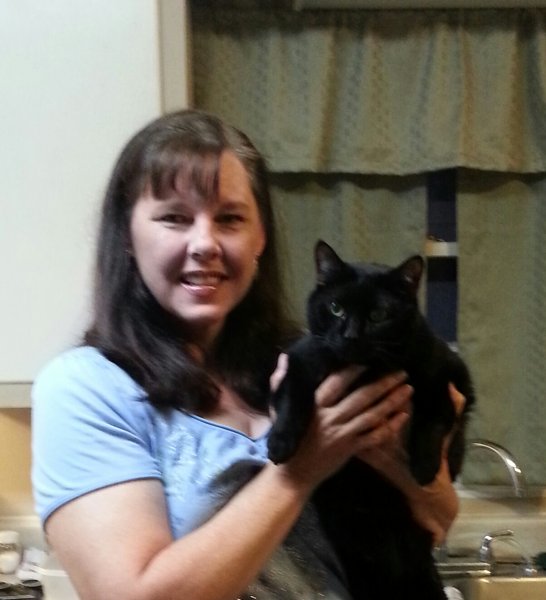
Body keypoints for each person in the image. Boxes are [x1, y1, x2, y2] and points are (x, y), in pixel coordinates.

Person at [32, 109, 464, 600]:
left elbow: (439, 517)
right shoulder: (86, 389)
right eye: (174, 217)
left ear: (260, 238)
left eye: (230, 219)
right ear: (127, 236)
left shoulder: (304, 362)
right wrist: (300, 470)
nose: (205, 243)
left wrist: (402, 463)